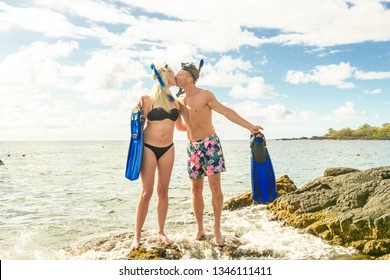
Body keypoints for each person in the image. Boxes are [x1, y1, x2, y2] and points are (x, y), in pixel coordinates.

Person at [175, 62, 263, 246]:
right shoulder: (179, 101)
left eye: (180, 74)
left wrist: (249, 126)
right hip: (192, 148)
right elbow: (179, 126)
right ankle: (199, 228)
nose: (176, 77)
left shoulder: (204, 94)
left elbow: (226, 112)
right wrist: (193, 129)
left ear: (189, 78)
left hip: (210, 145)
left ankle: (216, 228)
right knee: (195, 189)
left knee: (215, 188)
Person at [130, 64, 186, 251]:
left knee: (163, 191)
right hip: (149, 148)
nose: (174, 75)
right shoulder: (149, 99)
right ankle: (137, 236)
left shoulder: (175, 101)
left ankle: (161, 231)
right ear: (163, 76)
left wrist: (201, 130)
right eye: (171, 73)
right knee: (146, 193)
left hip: (168, 149)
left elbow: (180, 127)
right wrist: (139, 108)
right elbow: (139, 125)